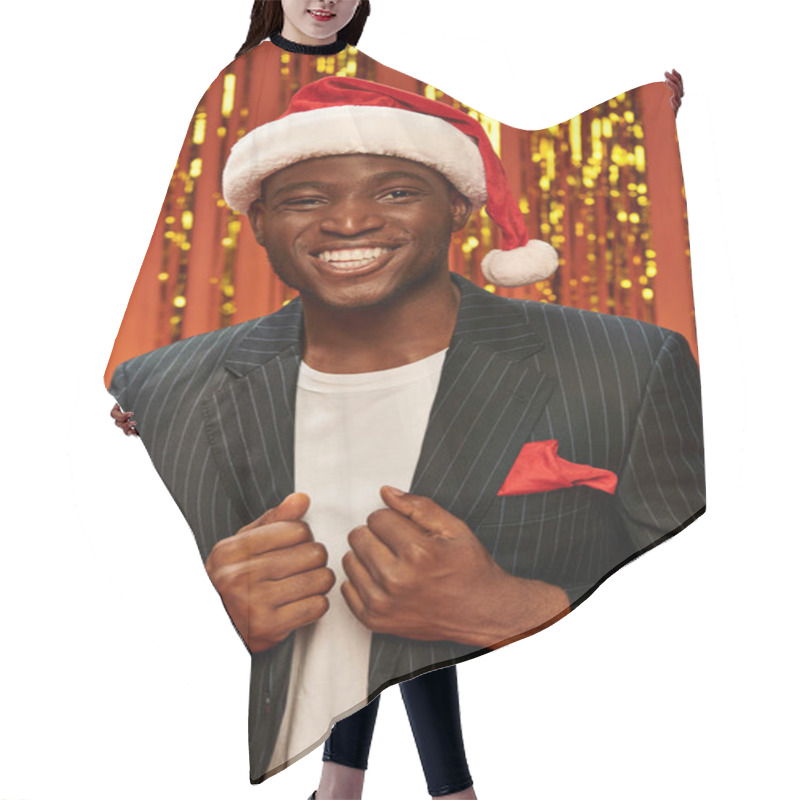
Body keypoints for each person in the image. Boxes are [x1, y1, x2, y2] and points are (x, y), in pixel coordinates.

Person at [109, 4, 698, 798]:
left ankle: (376, 783)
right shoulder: (233, 88)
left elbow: (504, 144)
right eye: (309, 196)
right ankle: (384, 782)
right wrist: (155, 397)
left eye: (391, 187)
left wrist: (644, 120)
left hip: (414, 432)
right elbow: (182, 245)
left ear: (456, 204)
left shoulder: (620, 365)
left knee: (401, 602)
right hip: (306, 405)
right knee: (363, 597)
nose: (350, 218)